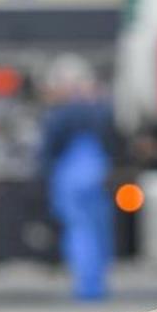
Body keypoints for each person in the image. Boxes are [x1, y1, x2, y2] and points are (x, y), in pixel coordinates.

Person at [38, 54, 116, 299]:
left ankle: (87, 286)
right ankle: (97, 283)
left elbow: (47, 150)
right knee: (100, 230)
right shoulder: (101, 109)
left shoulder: (59, 114)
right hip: (98, 174)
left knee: (80, 230)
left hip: (71, 178)